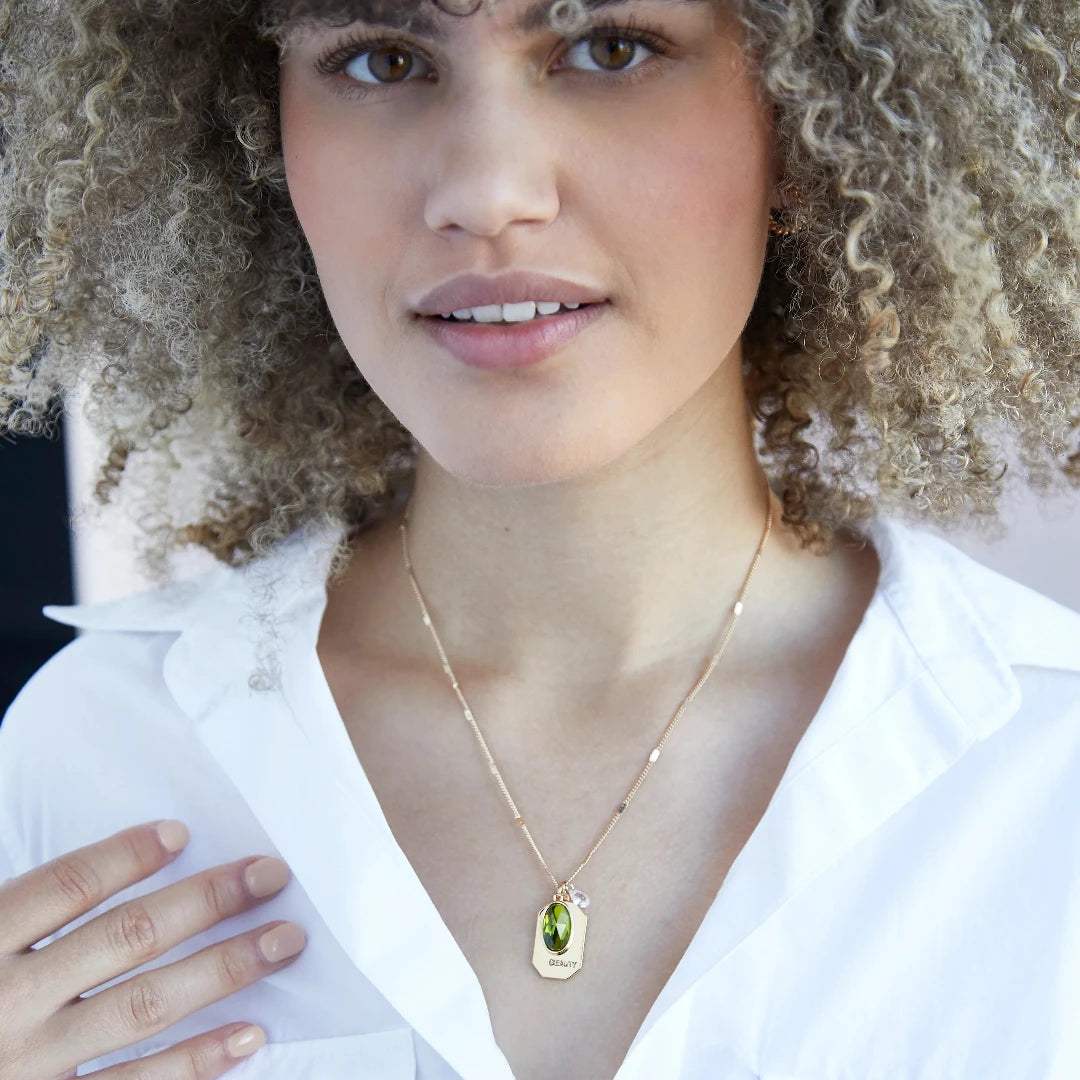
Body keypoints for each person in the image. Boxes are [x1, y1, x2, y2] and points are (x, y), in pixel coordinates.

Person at [1, 0, 1079, 1077]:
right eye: (382, 60)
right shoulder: (101, 760)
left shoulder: (1047, 780)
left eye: (610, 49)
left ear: (803, 111)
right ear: (260, 129)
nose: (487, 194)